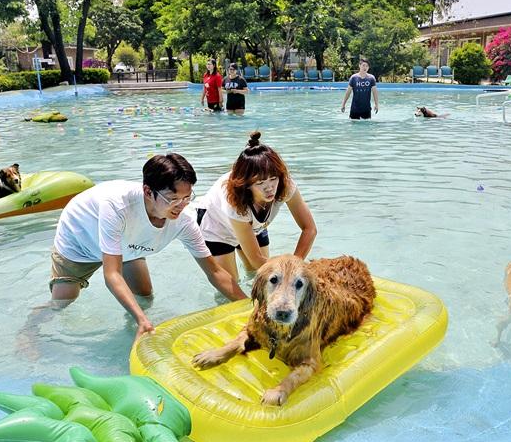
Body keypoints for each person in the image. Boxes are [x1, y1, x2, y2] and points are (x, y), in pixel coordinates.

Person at [49, 153, 247, 340]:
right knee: (62, 304)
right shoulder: (117, 207)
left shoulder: (184, 221)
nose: (181, 205)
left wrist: (248, 307)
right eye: (173, 199)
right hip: (80, 241)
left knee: (144, 296)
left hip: (128, 243)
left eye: (187, 197)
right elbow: (112, 274)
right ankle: (31, 330)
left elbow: (214, 272)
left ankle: (129, 332)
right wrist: (141, 319)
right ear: (147, 191)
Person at [195, 131, 316, 282]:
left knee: (257, 275)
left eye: (273, 179)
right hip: (217, 227)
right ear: (245, 185)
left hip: (253, 226)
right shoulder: (234, 199)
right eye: (260, 183)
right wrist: (285, 275)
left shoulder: (285, 185)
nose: (270, 188)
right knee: (232, 283)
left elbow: (309, 228)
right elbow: (256, 259)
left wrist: (295, 265)